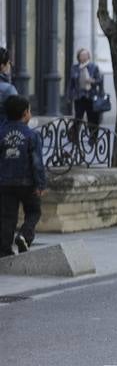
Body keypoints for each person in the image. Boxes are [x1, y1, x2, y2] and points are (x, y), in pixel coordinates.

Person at [0, 96, 47, 257]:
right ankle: (24, 236)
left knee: (7, 217)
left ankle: (4, 250)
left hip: (5, 182)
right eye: (30, 111)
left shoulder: (1, 133)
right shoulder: (31, 135)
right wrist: (40, 184)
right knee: (34, 211)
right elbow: (37, 163)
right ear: (25, 113)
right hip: (26, 183)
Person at [67, 47, 104, 145]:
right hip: (79, 97)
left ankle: (93, 138)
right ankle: (73, 137)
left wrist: (93, 81)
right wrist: (70, 96)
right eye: (81, 55)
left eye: (86, 55)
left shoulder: (93, 67)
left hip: (91, 96)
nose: (84, 57)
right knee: (78, 118)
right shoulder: (75, 68)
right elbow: (71, 83)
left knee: (93, 119)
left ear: (88, 56)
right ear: (78, 57)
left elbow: (100, 80)